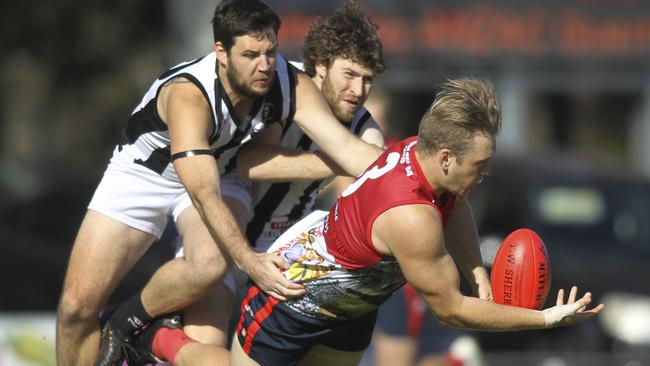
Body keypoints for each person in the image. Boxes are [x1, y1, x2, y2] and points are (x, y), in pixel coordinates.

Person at [55, 1, 382, 365]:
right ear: (221, 53)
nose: (265, 65)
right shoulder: (190, 95)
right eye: (251, 54)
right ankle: (130, 327)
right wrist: (249, 262)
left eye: (272, 52)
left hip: (221, 171)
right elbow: (203, 193)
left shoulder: (289, 83)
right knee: (75, 307)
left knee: (209, 270)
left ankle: (128, 322)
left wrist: (416, 171)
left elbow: (350, 152)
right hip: (148, 173)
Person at [225, 78, 604, 366]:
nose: (487, 170)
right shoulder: (411, 217)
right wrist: (542, 319)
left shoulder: (423, 156)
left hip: (351, 313)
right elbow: (450, 310)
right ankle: (168, 342)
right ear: (445, 157)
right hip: (289, 306)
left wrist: (477, 271)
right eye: (479, 164)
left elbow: (455, 204)